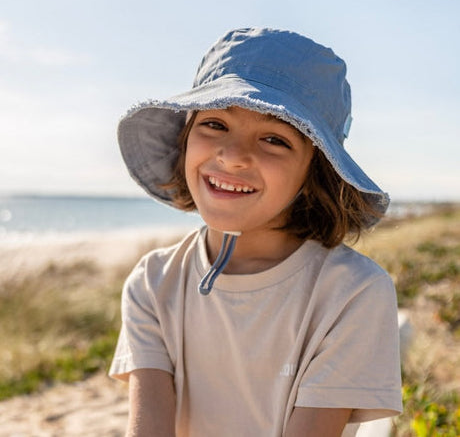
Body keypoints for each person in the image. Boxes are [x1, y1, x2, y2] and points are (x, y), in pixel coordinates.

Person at [109, 27, 402, 437]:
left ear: (314, 171)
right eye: (214, 123)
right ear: (185, 139)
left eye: (273, 139)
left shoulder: (352, 292)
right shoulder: (152, 282)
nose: (232, 157)